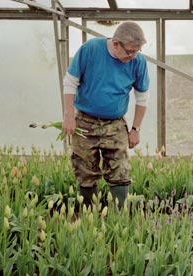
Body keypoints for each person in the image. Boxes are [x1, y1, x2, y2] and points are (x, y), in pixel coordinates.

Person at [62, 21, 150, 210]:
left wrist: (135, 129)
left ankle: (118, 218)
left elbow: (142, 96)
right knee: (85, 169)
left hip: (115, 124)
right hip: (85, 122)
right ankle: (88, 215)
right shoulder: (90, 50)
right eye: (130, 51)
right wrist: (69, 116)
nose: (133, 55)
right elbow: (70, 82)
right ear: (116, 43)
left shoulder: (137, 62)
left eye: (137, 51)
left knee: (120, 169)